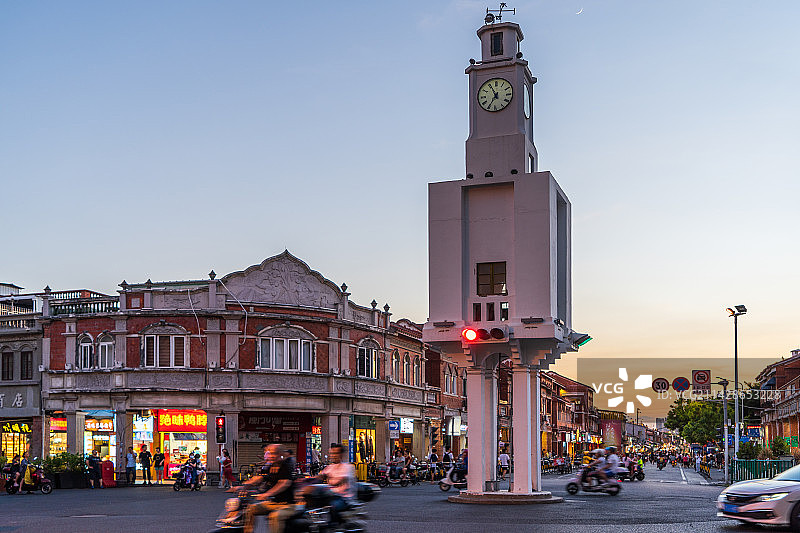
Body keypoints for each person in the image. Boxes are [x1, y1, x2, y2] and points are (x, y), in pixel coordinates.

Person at [241, 444, 295, 533]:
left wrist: (267, 494)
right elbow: (261, 477)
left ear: (281, 454)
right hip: (273, 503)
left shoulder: (286, 465)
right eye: (270, 453)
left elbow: (284, 483)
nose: (271, 456)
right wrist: (245, 485)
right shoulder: (271, 465)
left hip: (288, 504)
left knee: (275, 516)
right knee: (250, 509)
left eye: (274, 453)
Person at [315, 443, 356, 519]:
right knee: (314, 504)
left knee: (332, 507)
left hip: (344, 498)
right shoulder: (330, 467)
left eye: (336, 453)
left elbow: (339, 481)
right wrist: (305, 481)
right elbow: (319, 477)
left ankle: (335, 524)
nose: (333, 455)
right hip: (331, 496)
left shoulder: (348, 467)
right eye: (331, 453)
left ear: (341, 454)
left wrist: (328, 483)